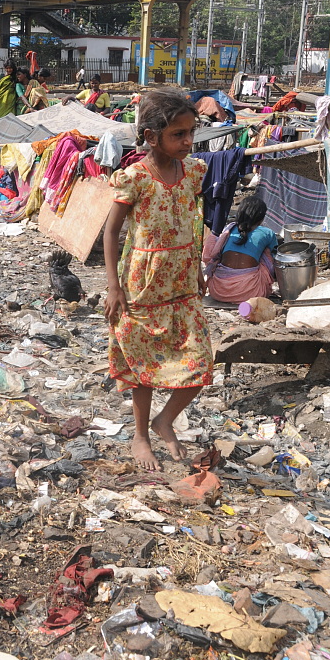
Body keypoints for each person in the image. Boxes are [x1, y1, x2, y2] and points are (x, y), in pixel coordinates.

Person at [103, 89, 213, 471]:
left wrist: (196, 267)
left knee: (200, 363)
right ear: (151, 136)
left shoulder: (193, 172)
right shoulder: (136, 178)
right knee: (143, 366)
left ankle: (164, 420)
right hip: (143, 285)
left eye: (191, 132)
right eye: (178, 134)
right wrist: (114, 286)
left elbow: (191, 221)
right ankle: (141, 435)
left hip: (182, 283)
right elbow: (111, 231)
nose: (187, 141)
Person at [202, 196, 277, 303]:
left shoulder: (229, 229)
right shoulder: (267, 233)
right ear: (261, 218)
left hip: (218, 290)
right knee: (267, 252)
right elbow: (274, 259)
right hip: (251, 292)